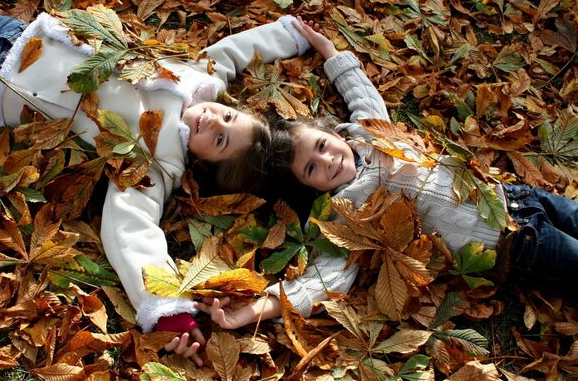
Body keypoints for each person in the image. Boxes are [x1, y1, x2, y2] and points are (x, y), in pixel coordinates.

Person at [196, 17, 578, 330]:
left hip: (515, 196)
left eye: (323, 146)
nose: (328, 161)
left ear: (331, 133)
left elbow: (360, 93)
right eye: (312, 168)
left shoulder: (366, 134)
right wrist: (252, 310)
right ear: (307, 186)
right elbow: (324, 281)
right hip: (519, 247)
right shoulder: (346, 213)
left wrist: (329, 50)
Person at [0, 10, 312, 364]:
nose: (212, 120)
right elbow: (235, 51)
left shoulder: (159, 159)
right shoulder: (200, 80)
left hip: (1, 83)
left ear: (204, 164)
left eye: (218, 140)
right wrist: (290, 35)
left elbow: (130, 226)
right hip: (25, 33)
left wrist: (169, 310)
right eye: (227, 116)